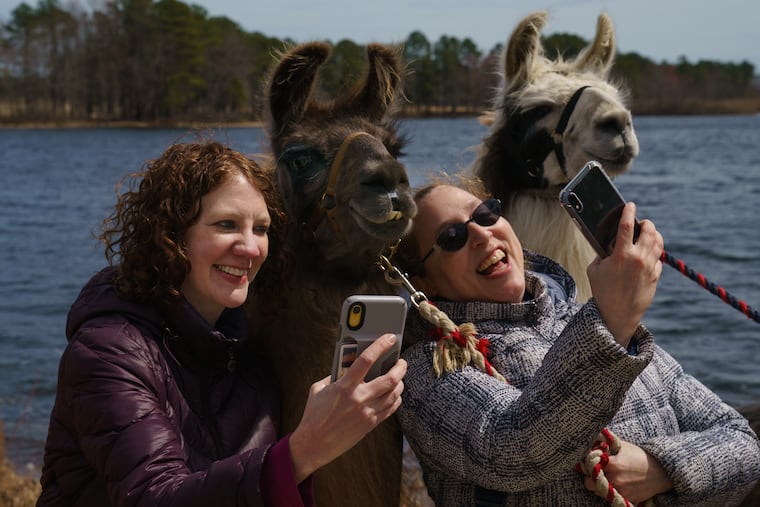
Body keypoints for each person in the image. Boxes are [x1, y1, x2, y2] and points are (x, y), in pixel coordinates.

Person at [37, 141, 406, 506]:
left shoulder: (248, 353)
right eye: (226, 224)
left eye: (261, 229)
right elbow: (153, 497)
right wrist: (302, 452)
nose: (249, 247)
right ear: (171, 233)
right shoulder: (108, 353)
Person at [393, 178, 760, 506]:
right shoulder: (429, 367)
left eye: (486, 214)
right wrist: (612, 322)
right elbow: (512, 451)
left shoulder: (587, 321)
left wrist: (661, 468)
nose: (482, 234)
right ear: (425, 283)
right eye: (452, 237)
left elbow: (743, 444)